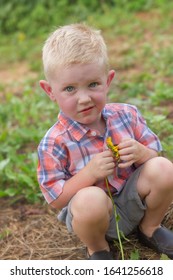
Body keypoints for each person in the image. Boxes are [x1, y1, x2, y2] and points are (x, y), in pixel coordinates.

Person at [37, 23, 173, 260]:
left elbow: (154, 156)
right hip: (91, 216)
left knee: (164, 168)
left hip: (133, 202)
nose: (84, 98)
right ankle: (97, 248)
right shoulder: (54, 143)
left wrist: (143, 154)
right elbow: (56, 199)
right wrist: (89, 174)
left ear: (108, 80)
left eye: (93, 84)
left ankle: (150, 228)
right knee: (91, 199)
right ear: (50, 91)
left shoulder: (126, 115)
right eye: (69, 88)